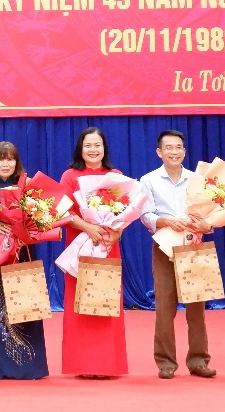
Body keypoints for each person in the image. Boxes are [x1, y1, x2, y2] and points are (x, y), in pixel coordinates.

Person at [137, 130, 216, 379]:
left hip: (193, 245)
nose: (174, 152)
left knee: (196, 305)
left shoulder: (197, 179)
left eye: (178, 147)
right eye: (168, 147)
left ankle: (198, 360)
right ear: (159, 152)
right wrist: (167, 221)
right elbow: (145, 215)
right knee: (164, 306)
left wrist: (208, 225)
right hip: (164, 246)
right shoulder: (148, 180)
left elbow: (211, 212)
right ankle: (165, 362)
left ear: (184, 151)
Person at [0, 142, 48, 380]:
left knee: (27, 307)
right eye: (0, 159)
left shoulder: (28, 187)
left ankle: (30, 367)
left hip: (23, 252)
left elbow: (43, 220)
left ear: (17, 162)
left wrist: (28, 229)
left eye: (10, 159)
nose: (5, 164)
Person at [60, 126, 128, 378]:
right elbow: (63, 211)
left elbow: (125, 211)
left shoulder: (115, 175)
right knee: (80, 303)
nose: (92, 149)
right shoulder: (70, 176)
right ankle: (83, 365)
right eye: (87, 145)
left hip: (107, 245)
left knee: (105, 303)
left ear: (104, 148)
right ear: (80, 149)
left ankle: (107, 365)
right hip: (80, 245)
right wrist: (88, 227)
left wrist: (117, 232)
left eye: (97, 145)